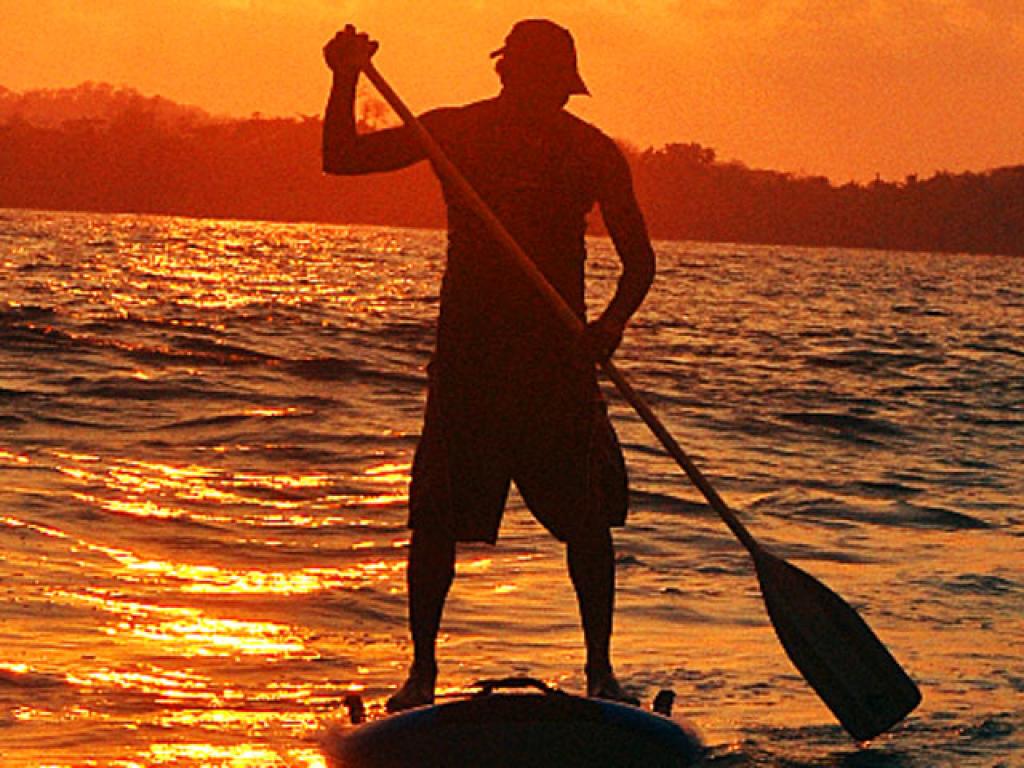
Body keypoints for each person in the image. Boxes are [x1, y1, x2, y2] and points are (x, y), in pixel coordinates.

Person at [322, 19, 656, 712]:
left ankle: (601, 673)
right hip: (469, 362)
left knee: (588, 521)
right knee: (436, 523)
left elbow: (639, 262)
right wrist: (345, 75)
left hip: (557, 366)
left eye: (562, 88)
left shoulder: (591, 152)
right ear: (509, 76)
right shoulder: (457, 130)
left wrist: (611, 324)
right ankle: (421, 676)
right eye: (545, 84)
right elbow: (343, 158)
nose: (554, 100)